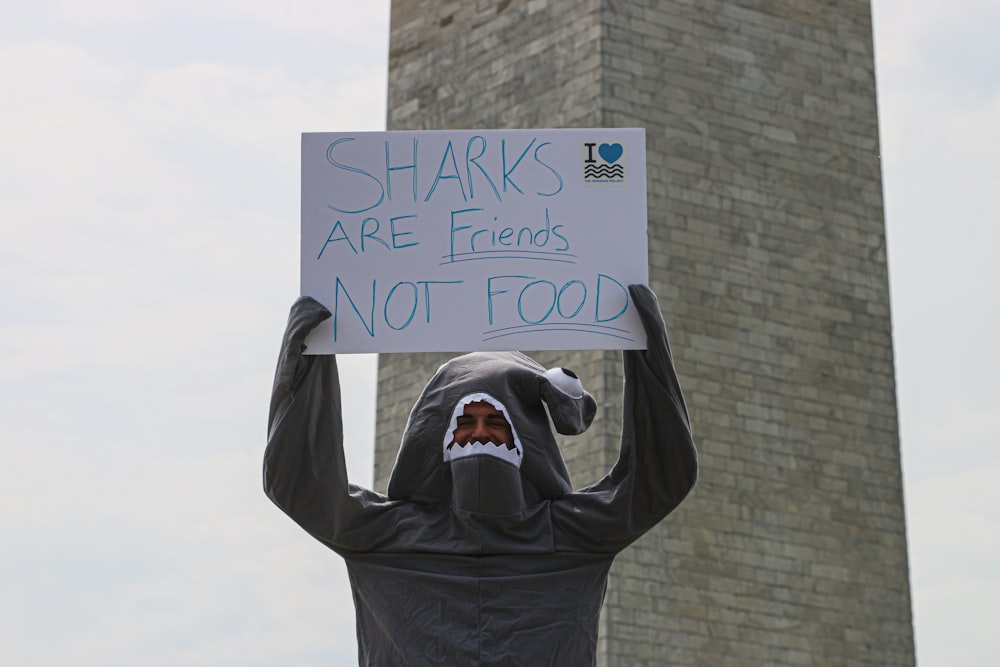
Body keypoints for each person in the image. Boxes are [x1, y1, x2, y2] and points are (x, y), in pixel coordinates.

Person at [264, 284, 697, 666]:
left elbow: (659, 477)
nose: (479, 435)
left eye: (494, 424)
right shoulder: (387, 535)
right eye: (466, 425)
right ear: (438, 443)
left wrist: (645, 348)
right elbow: (302, 483)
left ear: (525, 443)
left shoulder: (571, 534)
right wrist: (306, 360)